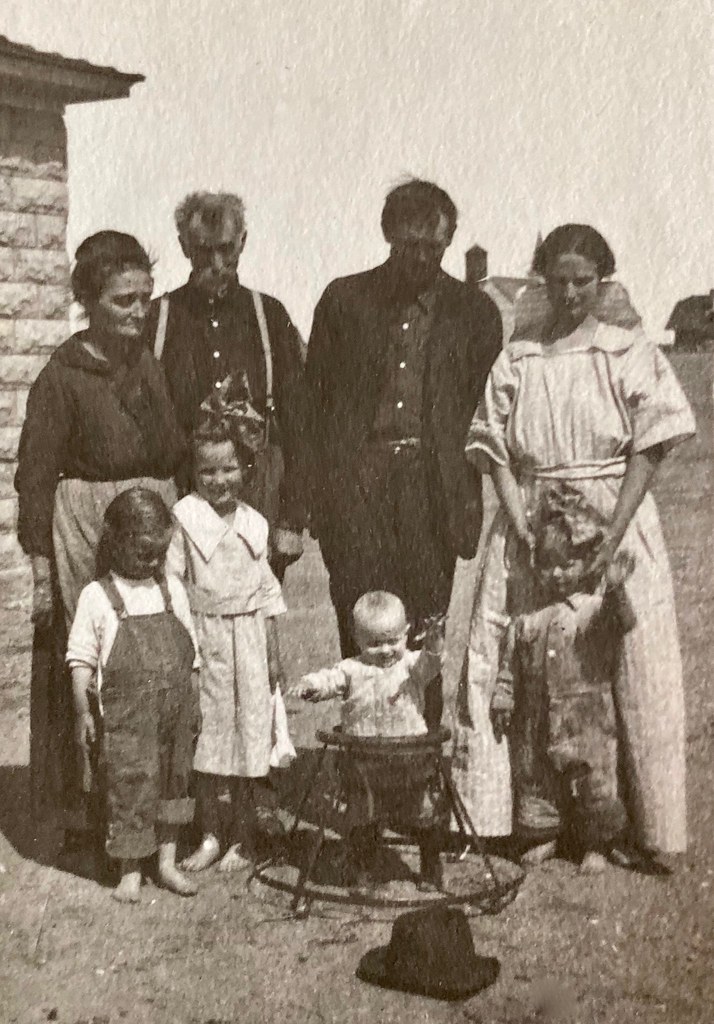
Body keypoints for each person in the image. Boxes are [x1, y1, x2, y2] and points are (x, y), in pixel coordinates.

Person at [452, 224, 695, 874]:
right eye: (557, 281)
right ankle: (526, 819)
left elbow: (653, 444)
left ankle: (615, 825)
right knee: (525, 665)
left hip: (613, 516)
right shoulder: (520, 357)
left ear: (603, 280)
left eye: (582, 280)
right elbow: (492, 449)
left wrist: (614, 528)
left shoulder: (627, 351)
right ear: (541, 281)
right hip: (531, 524)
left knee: (615, 667)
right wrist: (519, 521)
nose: (569, 293)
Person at [305, 179, 502, 728]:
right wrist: (321, 503)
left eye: (433, 246)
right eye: (408, 243)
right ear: (388, 233)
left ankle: (419, 773)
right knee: (364, 625)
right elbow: (311, 409)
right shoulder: (344, 300)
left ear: (449, 240)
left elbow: (487, 410)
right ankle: (365, 775)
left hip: (431, 492)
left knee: (425, 636)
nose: (420, 257)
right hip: (357, 489)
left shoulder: (475, 313)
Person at [15, 231, 185, 861]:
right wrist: (39, 565)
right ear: (89, 300)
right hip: (86, 531)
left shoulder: (146, 364)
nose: (139, 312)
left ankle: (154, 809)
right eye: (123, 301)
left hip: (147, 522)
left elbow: (173, 450)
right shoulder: (62, 375)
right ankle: (86, 815)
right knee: (90, 664)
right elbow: (34, 476)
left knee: (153, 658)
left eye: (144, 298)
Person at [146, 191, 308, 578]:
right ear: (184, 246)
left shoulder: (269, 315)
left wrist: (291, 520)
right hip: (184, 492)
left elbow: (301, 424)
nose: (217, 264)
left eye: (226, 250)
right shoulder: (158, 318)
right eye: (203, 252)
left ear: (242, 243)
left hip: (258, 495)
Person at [166, 376, 290, 874]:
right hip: (208, 640)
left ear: (246, 467)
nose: (219, 480)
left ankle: (243, 836)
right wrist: (188, 653)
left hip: (249, 643)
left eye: (229, 468)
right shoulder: (185, 517)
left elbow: (266, 591)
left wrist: (273, 650)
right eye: (208, 471)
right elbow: (174, 585)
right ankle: (212, 833)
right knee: (211, 744)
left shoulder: (254, 522)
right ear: (194, 472)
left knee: (247, 743)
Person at [491, 485, 635, 874]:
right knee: (537, 780)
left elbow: (622, 624)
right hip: (537, 716)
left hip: (585, 715)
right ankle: (547, 837)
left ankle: (597, 844)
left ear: (587, 562)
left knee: (594, 781)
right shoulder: (528, 619)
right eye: (547, 564)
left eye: (566, 564)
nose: (556, 574)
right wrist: (504, 697)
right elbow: (512, 662)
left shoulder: (591, 611)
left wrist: (617, 589)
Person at [66, 488, 200, 903]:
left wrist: (194, 700)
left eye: (161, 552)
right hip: (128, 720)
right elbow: (80, 661)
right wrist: (82, 711)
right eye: (145, 553)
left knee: (174, 782)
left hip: (176, 710)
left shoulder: (170, 589)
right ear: (117, 542)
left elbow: (190, 650)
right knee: (131, 786)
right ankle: (131, 870)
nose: (155, 562)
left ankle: (166, 862)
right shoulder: (98, 596)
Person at [290, 592, 448, 892]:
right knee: (362, 817)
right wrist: (311, 686)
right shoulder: (352, 669)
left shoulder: (411, 665)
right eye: (374, 643)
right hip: (364, 765)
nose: (386, 650)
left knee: (423, 812)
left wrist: (434, 642)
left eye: (393, 641)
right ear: (357, 638)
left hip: (408, 759)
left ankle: (430, 865)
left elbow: (432, 663)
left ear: (407, 633)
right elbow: (330, 679)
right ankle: (362, 872)